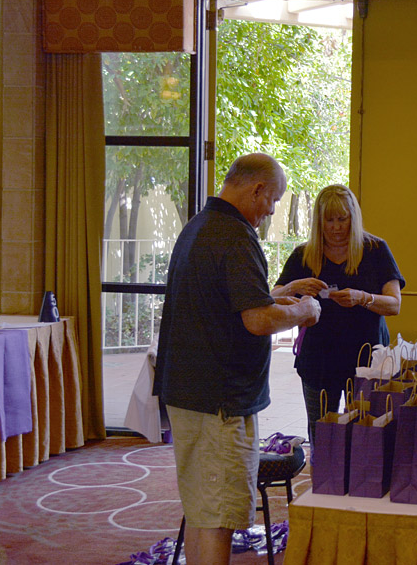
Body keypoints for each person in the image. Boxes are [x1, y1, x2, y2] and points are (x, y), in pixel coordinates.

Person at [154, 153, 322, 565]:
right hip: (221, 403)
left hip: (189, 393)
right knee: (219, 517)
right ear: (257, 189)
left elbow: (223, 303)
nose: (270, 211)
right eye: (274, 200)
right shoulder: (236, 235)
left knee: (201, 510)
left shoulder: (199, 226)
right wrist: (304, 311)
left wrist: (280, 292)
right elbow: (257, 319)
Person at [274, 184, 405, 443]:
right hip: (319, 360)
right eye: (329, 220)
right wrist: (294, 286)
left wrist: (363, 298)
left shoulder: (376, 250)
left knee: (366, 436)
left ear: (352, 218)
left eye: (342, 219)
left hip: (366, 360)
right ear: (318, 222)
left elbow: (394, 305)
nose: (335, 227)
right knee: (322, 435)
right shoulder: (304, 254)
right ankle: (322, 479)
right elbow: (273, 297)